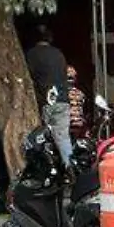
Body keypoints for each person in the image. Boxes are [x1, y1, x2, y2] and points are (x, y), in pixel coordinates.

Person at [25, 26, 72, 166]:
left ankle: (47, 168)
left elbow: (29, 77)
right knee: (63, 137)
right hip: (63, 99)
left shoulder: (32, 54)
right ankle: (69, 167)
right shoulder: (59, 54)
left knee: (41, 137)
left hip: (45, 101)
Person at [66, 64, 89, 144]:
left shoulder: (80, 93)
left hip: (79, 126)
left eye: (72, 73)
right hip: (67, 126)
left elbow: (83, 111)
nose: (71, 75)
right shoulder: (60, 92)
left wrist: (85, 129)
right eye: (68, 72)